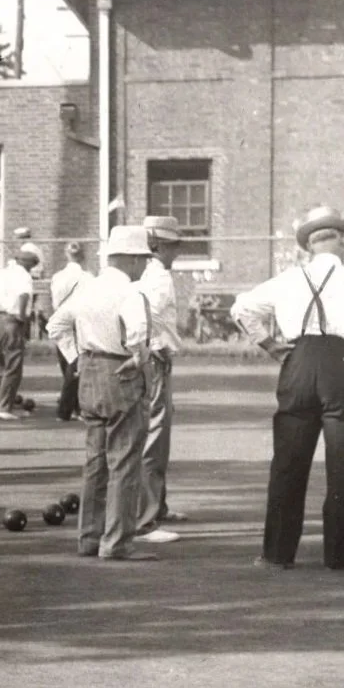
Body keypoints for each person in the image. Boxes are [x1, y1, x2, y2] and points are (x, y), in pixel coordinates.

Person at [230, 206, 344, 571]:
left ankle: (277, 554)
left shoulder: (287, 279)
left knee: (288, 462)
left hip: (297, 364)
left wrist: (269, 345)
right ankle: (340, 556)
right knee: (343, 466)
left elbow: (242, 308)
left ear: (309, 245)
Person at [47, 225, 158, 562]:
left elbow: (55, 325)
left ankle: (90, 537)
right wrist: (142, 362)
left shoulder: (88, 288)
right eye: (142, 259)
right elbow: (138, 334)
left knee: (96, 461)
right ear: (131, 259)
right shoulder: (132, 293)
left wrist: (76, 358)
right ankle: (117, 542)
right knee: (124, 460)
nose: (144, 266)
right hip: (119, 370)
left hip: (90, 371)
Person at [135, 215, 187, 541]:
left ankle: (158, 506)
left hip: (156, 359)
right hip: (155, 359)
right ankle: (145, 519)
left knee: (159, 436)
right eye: (173, 245)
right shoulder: (157, 278)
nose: (176, 251)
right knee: (153, 438)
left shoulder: (154, 274)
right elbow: (146, 317)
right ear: (160, 245)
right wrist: (155, 349)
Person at [0, 243, 38, 418]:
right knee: (12, 366)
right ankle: (4, 406)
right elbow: (24, 295)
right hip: (11, 320)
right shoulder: (24, 276)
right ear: (29, 264)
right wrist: (22, 316)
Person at [48, 241, 89, 421]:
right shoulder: (88, 277)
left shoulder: (57, 277)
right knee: (75, 365)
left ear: (66, 254)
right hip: (78, 321)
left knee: (66, 364)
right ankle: (65, 409)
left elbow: (54, 301)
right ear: (83, 256)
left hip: (60, 319)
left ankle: (75, 407)